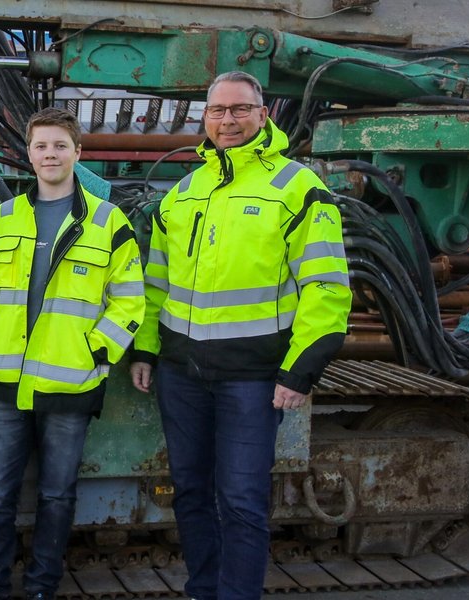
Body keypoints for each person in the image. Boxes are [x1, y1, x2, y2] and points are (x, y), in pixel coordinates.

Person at [129, 71, 352, 599]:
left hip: (252, 380)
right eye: (216, 111)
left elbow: (326, 286)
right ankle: (204, 589)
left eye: (238, 109)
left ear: (262, 114)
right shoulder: (183, 192)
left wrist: (300, 370)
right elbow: (156, 282)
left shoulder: (297, 187)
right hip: (182, 375)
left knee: (242, 501)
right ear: (204, 118)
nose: (226, 120)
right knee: (190, 494)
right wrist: (145, 347)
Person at [0, 107, 145, 600]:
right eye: (41, 146)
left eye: (60, 145)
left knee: (57, 495)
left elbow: (130, 298)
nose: (50, 154)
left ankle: (42, 585)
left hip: (71, 381)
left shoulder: (108, 222)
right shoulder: (3, 219)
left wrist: (98, 350)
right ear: (28, 154)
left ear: (77, 153)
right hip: (4, 380)